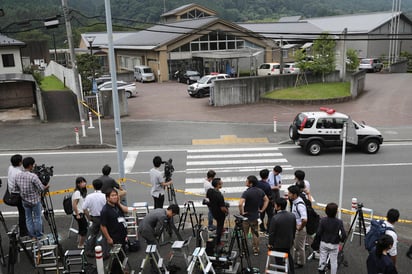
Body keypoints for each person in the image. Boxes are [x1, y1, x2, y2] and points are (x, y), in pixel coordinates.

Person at [15, 157, 49, 240]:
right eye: (33, 164)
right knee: (37, 218)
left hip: (24, 201)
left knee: (28, 218)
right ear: (30, 165)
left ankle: (32, 236)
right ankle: (39, 235)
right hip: (35, 200)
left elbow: (16, 189)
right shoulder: (33, 176)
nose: (33, 166)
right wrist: (46, 187)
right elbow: (41, 188)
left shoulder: (18, 175)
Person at [238, 175, 269, 256]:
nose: (246, 182)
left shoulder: (247, 192)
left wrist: (242, 212)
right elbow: (266, 200)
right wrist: (262, 210)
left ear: (251, 183)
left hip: (246, 216)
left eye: (247, 181)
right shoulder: (260, 191)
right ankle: (256, 250)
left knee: (244, 234)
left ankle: (244, 250)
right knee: (255, 234)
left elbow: (240, 204)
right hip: (255, 216)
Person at [100, 188, 129, 273]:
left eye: (116, 195)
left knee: (122, 255)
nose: (115, 197)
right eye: (112, 196)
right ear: (107, 198)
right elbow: (103, 226)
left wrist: (119, 203)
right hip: (114, 236)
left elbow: (126, 210)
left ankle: (121, 270)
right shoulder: (105, 210)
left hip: (122, 235)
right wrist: (109, 238)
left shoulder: (117, 206)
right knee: (116, 257)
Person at [315, 202, 346, 274]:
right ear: (336, 212)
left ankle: (321, 271)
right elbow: (344, 234)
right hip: (334, 243)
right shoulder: (339, 222)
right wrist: (341, 239)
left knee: (322, 259)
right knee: (334, 261)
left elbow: (319, 232)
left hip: (324, 242)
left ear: (326, 211)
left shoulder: (323, 220)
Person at [267, 197, 296, 274]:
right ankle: (292, 271)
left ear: (279, 206)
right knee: (288, 256)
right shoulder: (292, 216)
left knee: (279, 259)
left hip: (278, 243)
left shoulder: (275, 218)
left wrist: (270, 243)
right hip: (288, 242)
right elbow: (294, 229)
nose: (274, 206)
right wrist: (292, 239)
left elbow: (272, 233)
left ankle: (280, 272)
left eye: (275, 205)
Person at [82, 178, 106, 257]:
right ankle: (105, 252)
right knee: (105, 235)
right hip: (103, 218)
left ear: (93, 186)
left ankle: (90, 251)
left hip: (94, 218)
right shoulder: (104, 196)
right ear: (101, 186)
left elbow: (84, 208)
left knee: (93, 235)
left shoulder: (89, 197)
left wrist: (89, 217)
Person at [7, 154, 29, 237]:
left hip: (12, 194)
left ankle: (23, 230)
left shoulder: (10, 168)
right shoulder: (19, 173)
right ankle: (24, 231)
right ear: (20, 162)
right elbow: (22, 186)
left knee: (22, 212)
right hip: (18, 195)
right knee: (23, 213)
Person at [288, 185, 307, 268]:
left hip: (299, 228)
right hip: (295, 227)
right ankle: (296, 261)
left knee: (299, 247)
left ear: (295, 194)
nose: (288, 194)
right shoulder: (295, 202)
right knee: (296, 246)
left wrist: (300, 227)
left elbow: (305, 219)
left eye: (290, 193)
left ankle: (300, 263)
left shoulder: (300, 205)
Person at [206, 178, 228, 249]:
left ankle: (219, 235)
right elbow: (222, 208)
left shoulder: (209, 191)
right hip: (220, 214)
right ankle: (218, 242)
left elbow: (207, 198)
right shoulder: (219, 195)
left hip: (213, 211)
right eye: (221, 183)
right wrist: (226, 211)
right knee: (219, 227)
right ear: (218, 185)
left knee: (219, 226)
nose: (222, 184)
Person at [72, 176, 88, 249]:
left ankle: (80, 242)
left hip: (80, 213)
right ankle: (80, 244)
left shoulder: (80, 192)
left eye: (84, 182)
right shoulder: (77, 192)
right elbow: (74, 204)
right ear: (78, 184)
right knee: (84, 229)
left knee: (81, 228)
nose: (84, 183)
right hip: (79, 214)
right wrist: (77, 214)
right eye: (82, 182)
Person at [256, 169, 274, 233]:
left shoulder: (257, 183)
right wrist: (273, 202)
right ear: (267, 176)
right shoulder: (267, 185)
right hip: (267, 203)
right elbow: (269, 196)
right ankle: (269, 229)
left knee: (261, 215)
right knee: (270, 215)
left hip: (259, 202)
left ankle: (262, 228)